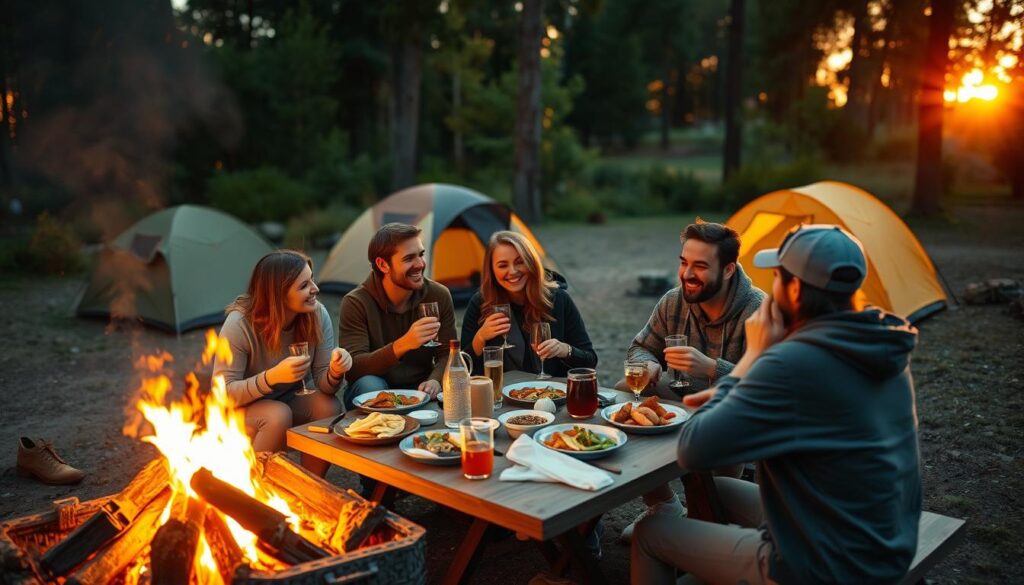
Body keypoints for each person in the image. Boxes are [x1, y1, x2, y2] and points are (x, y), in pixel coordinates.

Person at [632, 225, 922, 584]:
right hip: (885, 542)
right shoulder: (883, 352)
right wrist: (745, 387)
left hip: (823, 567)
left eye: (778, 276)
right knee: (711, 490)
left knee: (652, 533)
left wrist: (751, 362)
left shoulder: (788, 362)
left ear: (795, 289)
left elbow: (694, 450)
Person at [619, 221, 766, 542]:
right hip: (681, 397)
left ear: (728, 270)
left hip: (732, 410)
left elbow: (767, 387)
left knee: (707, 520)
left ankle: (712, 510)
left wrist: (713, 367)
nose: (687, 273)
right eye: (684, 262)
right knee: (624, 390)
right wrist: (648, 365)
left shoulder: (759, 311)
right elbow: (640, 347)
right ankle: (664, 504)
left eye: (700, 266)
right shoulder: (674, 301)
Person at [214, 250, 352, 478]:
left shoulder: (316, 314)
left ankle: (308, 486)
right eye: (304, 285)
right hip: (241, 410)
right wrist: (271, 378)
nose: (315, 289)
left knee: (328, 408)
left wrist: (335, 372)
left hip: (288, 400)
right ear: (278, 294)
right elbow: (223, 394)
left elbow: (324, 385)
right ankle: (256, 489)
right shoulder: (239, 324)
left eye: (312, 279)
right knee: (277, 414)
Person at [339, 223, 457, 407]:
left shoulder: (438, 295)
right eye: (409, 258)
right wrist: (404, 344)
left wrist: (435, 380)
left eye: (421, 254)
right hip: (374, 390)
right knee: (370, 384)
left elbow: (448, 354)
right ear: (383, 264)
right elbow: (354, 368)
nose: (420, 264)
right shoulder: (356, 302)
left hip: (420, 387)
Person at [461, 230, 597, 377]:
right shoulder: (481, 303)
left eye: (520, 262)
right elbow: (463, 367)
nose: (512, 271)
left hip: (552, 394)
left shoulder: (558, 299)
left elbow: (590, 360)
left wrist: (565, 350)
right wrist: (480, 337)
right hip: (501, 394)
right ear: (491, 270)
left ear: (531, 262)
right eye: (502, 265)